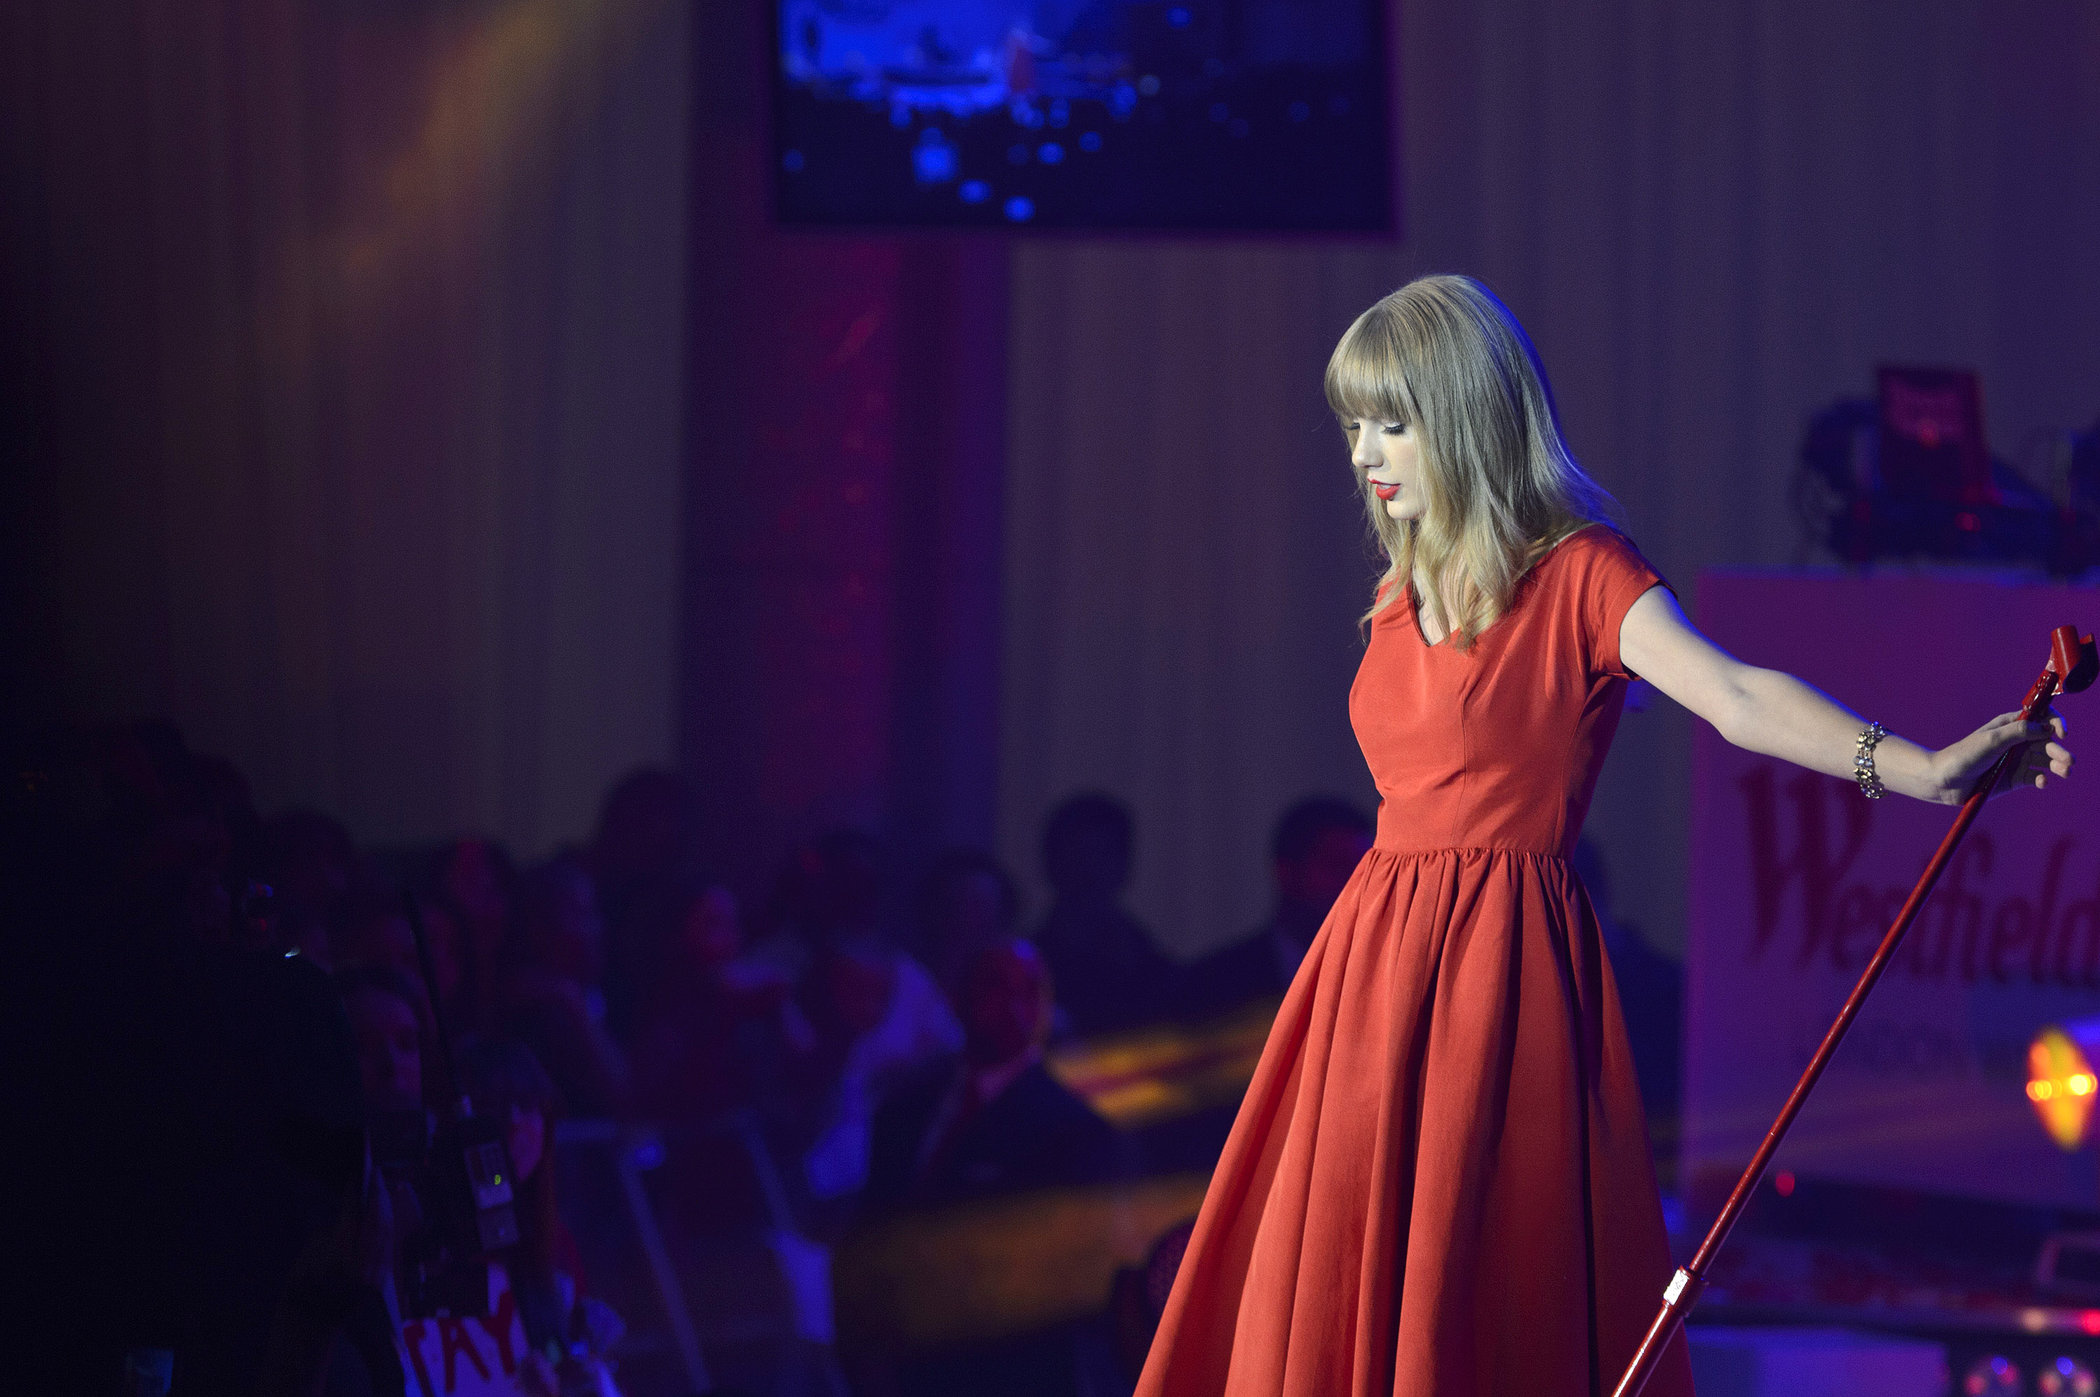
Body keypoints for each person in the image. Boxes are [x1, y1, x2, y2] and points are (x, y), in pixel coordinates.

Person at [1135, 275, 2074, 1397]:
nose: (1366, 455)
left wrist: (1919, 768)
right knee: (1341, 1275)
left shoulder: (1582, 572)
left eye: (1395, 421)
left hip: (1497, 967)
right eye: (1355, 426)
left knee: (1470, 1278)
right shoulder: (1397, 595)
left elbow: (1733, 691)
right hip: (1369, 971)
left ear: (1468, 416)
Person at [1179, 797, 1373, 1020]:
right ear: (1286, 873)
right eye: (1336, 867)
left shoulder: (1386, 980)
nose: (1355, 886)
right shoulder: (1211, 984)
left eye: (1364, 873)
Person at [1030, 792, 1179, 1038]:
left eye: (1102, 853)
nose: (1089, 868)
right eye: (1078, 853)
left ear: (1124, 864)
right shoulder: (1019, 970)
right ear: (1051, 861)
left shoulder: (1155, 972)